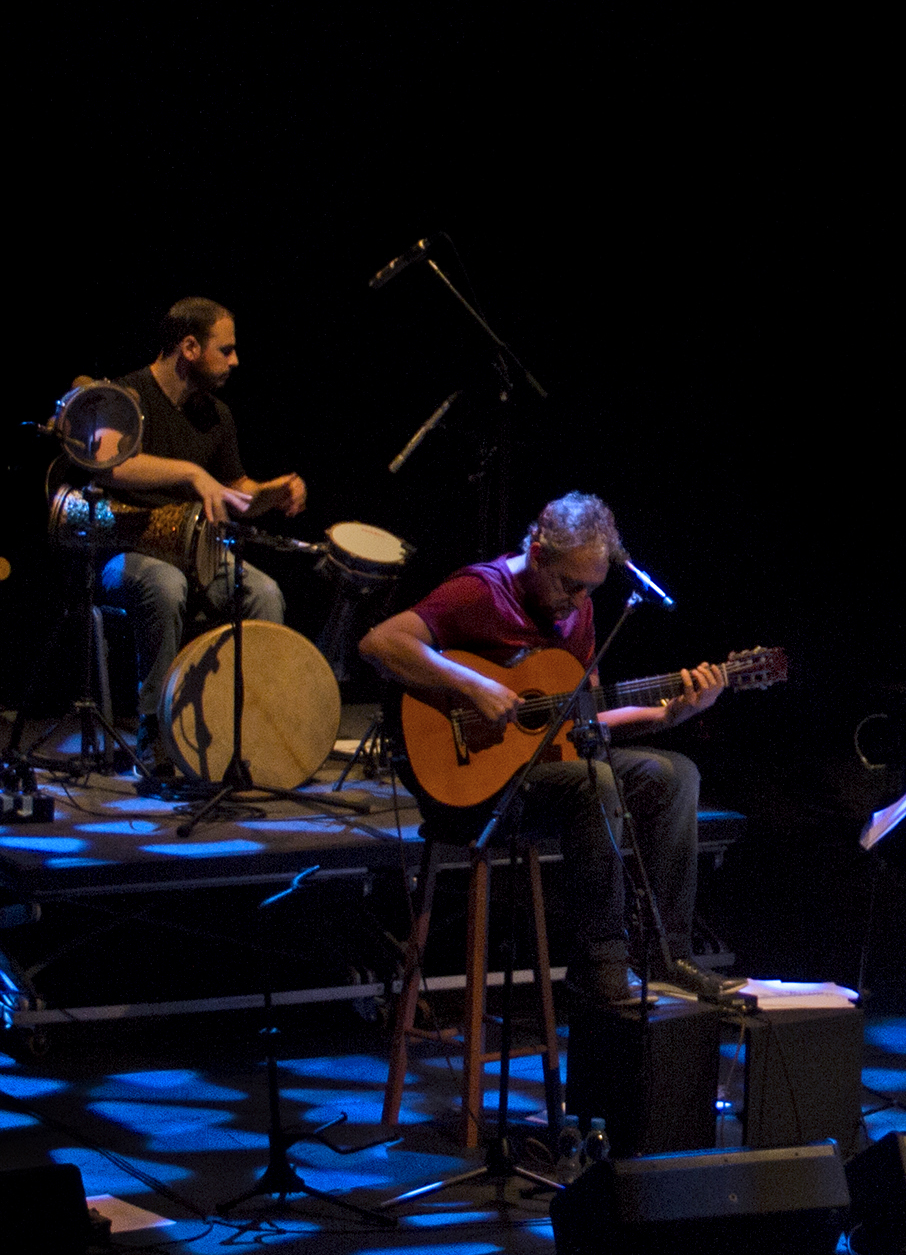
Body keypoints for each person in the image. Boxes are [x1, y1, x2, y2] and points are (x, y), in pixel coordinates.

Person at [361, 494, 736, 1007]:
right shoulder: (481, 591)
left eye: (590, 589)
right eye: (569, 584)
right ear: (537, 554)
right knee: (594, 781)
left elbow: (586, 720)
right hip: (469, 790)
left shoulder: (577, 613)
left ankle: (667, 953)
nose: (579, 600)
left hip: (542, 776)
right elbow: (379, 644)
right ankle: (600, 966)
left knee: (674, 775)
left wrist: (669, 715)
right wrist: (474, 685)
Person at [102, 297, 309, 741]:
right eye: (226, 350)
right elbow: (111, 465)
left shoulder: (215, 414)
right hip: (124, 548)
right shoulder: (128, 396)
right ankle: (157, 733)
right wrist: (191, 472)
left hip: (196, 550)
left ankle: (252, 730)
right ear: (190, 348)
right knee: (165, 585)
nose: (235, 361)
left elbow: (234, 492)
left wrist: (273, 491)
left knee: (265, 594)